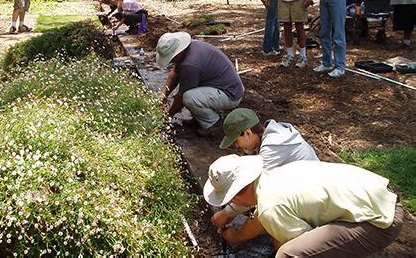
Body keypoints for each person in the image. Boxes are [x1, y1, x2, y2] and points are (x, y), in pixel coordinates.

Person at [204, 154, 403, 257]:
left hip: (380, 222)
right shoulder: (275, 175)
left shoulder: (270, 207)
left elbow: (296, 243)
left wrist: (237, 237)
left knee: (289, 254)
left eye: (229, 199)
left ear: (236, 194)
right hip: (382, 198)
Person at [211, 108, 319, 229]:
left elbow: (256, 191)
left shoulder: (272, 148)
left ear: (248, 133)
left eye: (236, 141)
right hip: (305, 189)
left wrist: (227, 214)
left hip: (314, 204)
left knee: (268, 213)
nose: (237, 146)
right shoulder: (272, 131)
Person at [156, 32, 244, 137]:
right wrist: (164, 93)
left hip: (230, 94)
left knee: (189, 97)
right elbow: (175, 73)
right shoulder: (190, 48)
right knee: (190, 94)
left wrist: (168, 115)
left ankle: (213, 123)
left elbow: (180, 98)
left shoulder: (190, 64)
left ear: (178, 52)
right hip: (224, 86)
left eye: (172, 58)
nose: (171, 61)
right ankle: (201, 118)